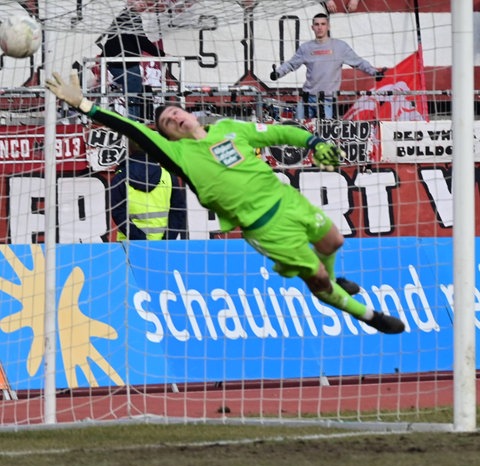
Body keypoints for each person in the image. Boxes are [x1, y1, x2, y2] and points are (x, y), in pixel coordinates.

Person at [45, 71, 405, 335]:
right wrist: (84, 104)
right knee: (319, 278)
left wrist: (313, 143)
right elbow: (133, 129)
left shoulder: (230, 128)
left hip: (286, 198)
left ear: (190, 115)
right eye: (167, 122)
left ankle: (335, 282)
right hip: (263, 226)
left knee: (334, 242)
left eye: (175, 112)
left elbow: (281, 131)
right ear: (167, 135)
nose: (173, 117)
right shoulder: (177, 153)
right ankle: (367, 315)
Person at [270, 12, 386, 119]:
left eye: (323, 24)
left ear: (328, 26)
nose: (320, 27)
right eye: (317, 24)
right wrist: (278, 73)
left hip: (328, 100)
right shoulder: (306, 48)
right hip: (307, 99)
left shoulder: (340, 47)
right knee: (299, 131)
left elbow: (359, 62)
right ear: (312, 27)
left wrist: (374, 72)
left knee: (326, 134)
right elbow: (291, 64)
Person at [99, 0, 165, 120]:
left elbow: (111, 40)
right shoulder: (131, 17)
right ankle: (134, 124)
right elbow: (141, 41)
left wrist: (103, 60)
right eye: (139, 1)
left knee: (133, 93)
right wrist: (161, 54)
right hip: (124, 65)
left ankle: (133, 122)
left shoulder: (123, 17)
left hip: (117, 64)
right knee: (133, 95)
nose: (143, 4)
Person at [111, 145, 187, 240]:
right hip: (162, 246)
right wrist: (167, 239)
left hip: (129, 246)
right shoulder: (168, 176)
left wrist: (140, 239)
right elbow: (178, 211)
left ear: (129, 150)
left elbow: (118, 213)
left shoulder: (120, 177)